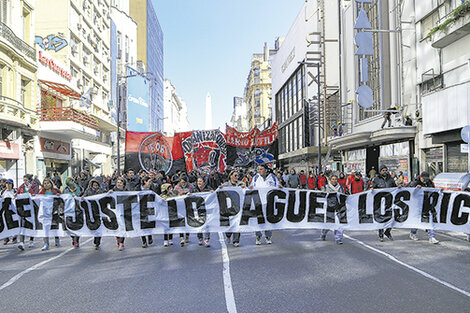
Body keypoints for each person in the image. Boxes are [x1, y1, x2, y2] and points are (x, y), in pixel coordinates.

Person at [250, 164, 281, 245]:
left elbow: (278, 186)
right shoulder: (256, 178)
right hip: (258, 202)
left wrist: (280, 187)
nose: (259, 171)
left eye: (261, 169)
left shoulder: (273, 177)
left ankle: (268, 236)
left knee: (268, 219)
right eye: (259, 169)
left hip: (269, 203)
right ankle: (258, 236)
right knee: (258, 220)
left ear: (266, 170)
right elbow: (251, 187)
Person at [408, 172, 439, 244]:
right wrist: (415, 188)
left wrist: (439, 191)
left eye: (427, 179)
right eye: (424, 179)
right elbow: (409, 191)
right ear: (421, 178)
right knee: (417, 220)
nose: (425, 181)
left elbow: (433, 191)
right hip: (417, 205)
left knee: (429, 220)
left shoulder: (430, 183)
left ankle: (432, 237)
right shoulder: (416, 182)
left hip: (427, 204)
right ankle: (413, 232)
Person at [371, 165, 396, 241]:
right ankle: (381, 234)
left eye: (385, 170)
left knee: (392, 217)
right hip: (380, 202)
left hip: (389, 201)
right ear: (380, 171)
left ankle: (388, 231)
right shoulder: (376, 179)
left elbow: (394, 187)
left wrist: (398, 187)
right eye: (383, 170)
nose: (384, 172)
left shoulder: (390, 179)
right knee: (381, 218)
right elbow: (373, 187)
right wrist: (372, 189)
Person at [221, 170, 246, 247]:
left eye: (237, 176)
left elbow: (246, 189)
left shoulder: (240, 184)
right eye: (235, 175)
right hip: (229, 207)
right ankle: (228, 235)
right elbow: (219, 191)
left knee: (237, 224)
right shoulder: (226, 185)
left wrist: (243, 187)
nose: (237, 177)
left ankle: (236, 240)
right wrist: (220, 188)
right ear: (230, 176)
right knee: (229, 224)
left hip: (238, 208)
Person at [320, 174, 345, 244]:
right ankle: (323, 233)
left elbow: (343, 196)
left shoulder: (340, 188)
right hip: (328, 208)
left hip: (337, 208)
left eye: (336, 179)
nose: (334, 181)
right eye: (333, 179)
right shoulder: (325, 187)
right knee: (328, 224)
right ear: (330, 180)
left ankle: (338, 238)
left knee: (339, 224)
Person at [16, 174, 39, 250]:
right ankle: (21, 242)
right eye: (24, 180)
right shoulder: (22, 186)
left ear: (30, 180)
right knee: (22, 224)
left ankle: (31, 240)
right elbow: (17, 193)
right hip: (24, 209)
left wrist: (29, 189)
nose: (24, 181)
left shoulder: (35, 186)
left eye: (26, 180)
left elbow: (35, 194)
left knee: (31, 224)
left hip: (32, 208)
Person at [38, 178, 61, 251]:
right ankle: (46, 243)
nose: (46, 185)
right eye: (45, 183)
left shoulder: (55, 191)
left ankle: (56, 239)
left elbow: (61, 198)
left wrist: (58, 195)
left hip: (53, 211)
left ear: (51, 184)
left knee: (54, 226)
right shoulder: (41, 192)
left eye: (48, 183)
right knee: (45, 228)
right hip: (45, 213)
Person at [82, 178, 105, 249]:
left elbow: (105, 196)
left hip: (98, 211)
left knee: (98, 225)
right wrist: (83, 197)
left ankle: (97, 241)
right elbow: (85, 196)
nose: (95, 186)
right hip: (90, 211)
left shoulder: (101, 191)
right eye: (94, 184)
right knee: (91, 225)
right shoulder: (88, 190)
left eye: (96, 184)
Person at [192, 176, 213, 247]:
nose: (199, 183)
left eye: (200, 181)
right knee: (198, 224)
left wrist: (212, 193)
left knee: (206, 225)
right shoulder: (194, 189)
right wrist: (189, 194)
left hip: (206, 210)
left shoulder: (208, 189)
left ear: (204, 182)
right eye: (198, 181)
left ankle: (207, 239)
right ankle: (200, 238)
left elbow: (213, 196)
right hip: (197, 210)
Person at [109, 177, 128, 250]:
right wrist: (109, 193)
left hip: (123, 210)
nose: (119, 184)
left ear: (123, 184)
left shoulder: (126, 191)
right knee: (116, 226)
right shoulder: (113, 190)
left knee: (122, 227)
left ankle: (121, 243)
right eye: (118, 183)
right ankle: (118, 238)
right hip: (115, 211)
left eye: (120, 183)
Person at [174, 176, 193, 246]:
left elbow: (194, 193)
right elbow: (173, 194)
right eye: (181, 182)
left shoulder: (190, 186)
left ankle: (187, 236)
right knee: (181, 222)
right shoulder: (177, 187)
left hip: (188, 206)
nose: (183, 184)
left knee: (187, 222)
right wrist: (178, 195)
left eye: (184, 182)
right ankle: (181, 237)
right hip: (180, 206)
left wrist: (190, 194)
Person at [63, 177, 82, 248]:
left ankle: (76, 239)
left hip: (78, 209)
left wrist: (77, 197)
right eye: (69, 185)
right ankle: (73, 237)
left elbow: (84, 196)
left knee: (78, 225)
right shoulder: (65, 191)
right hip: (69, 210)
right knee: (68, 225)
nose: (72, 186)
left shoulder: (80, 189)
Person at [136, 176, 154, 248]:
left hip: (149, 209)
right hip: (140, 209)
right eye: (149, 182)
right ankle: (144, 241)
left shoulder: (151, 188)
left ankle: (150, 236)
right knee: (141, 226)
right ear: (144, 182)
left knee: (149, 224)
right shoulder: (137, 189)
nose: (150, 183)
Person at [2, 179, 17, 245]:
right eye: (7, 183)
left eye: (10, 183)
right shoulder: (2, 192)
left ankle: (14, 236)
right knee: (5, 223)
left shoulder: (15, 191)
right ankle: (6, 237)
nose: (8, 185)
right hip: (5, 210)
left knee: (13, 223)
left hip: (13, 209)